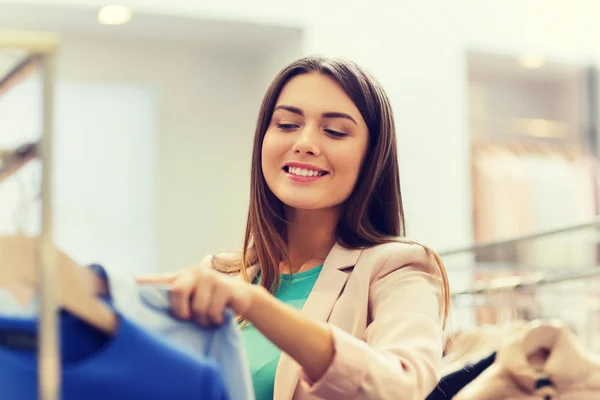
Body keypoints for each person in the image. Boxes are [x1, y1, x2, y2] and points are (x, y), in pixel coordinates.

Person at [137, 56, 451, 400]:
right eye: (287, 125)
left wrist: (256, 305)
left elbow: (402, 388)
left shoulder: (399, 268)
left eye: (334, 131)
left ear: (371, 157)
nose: (304, 143)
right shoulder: (222, 273)